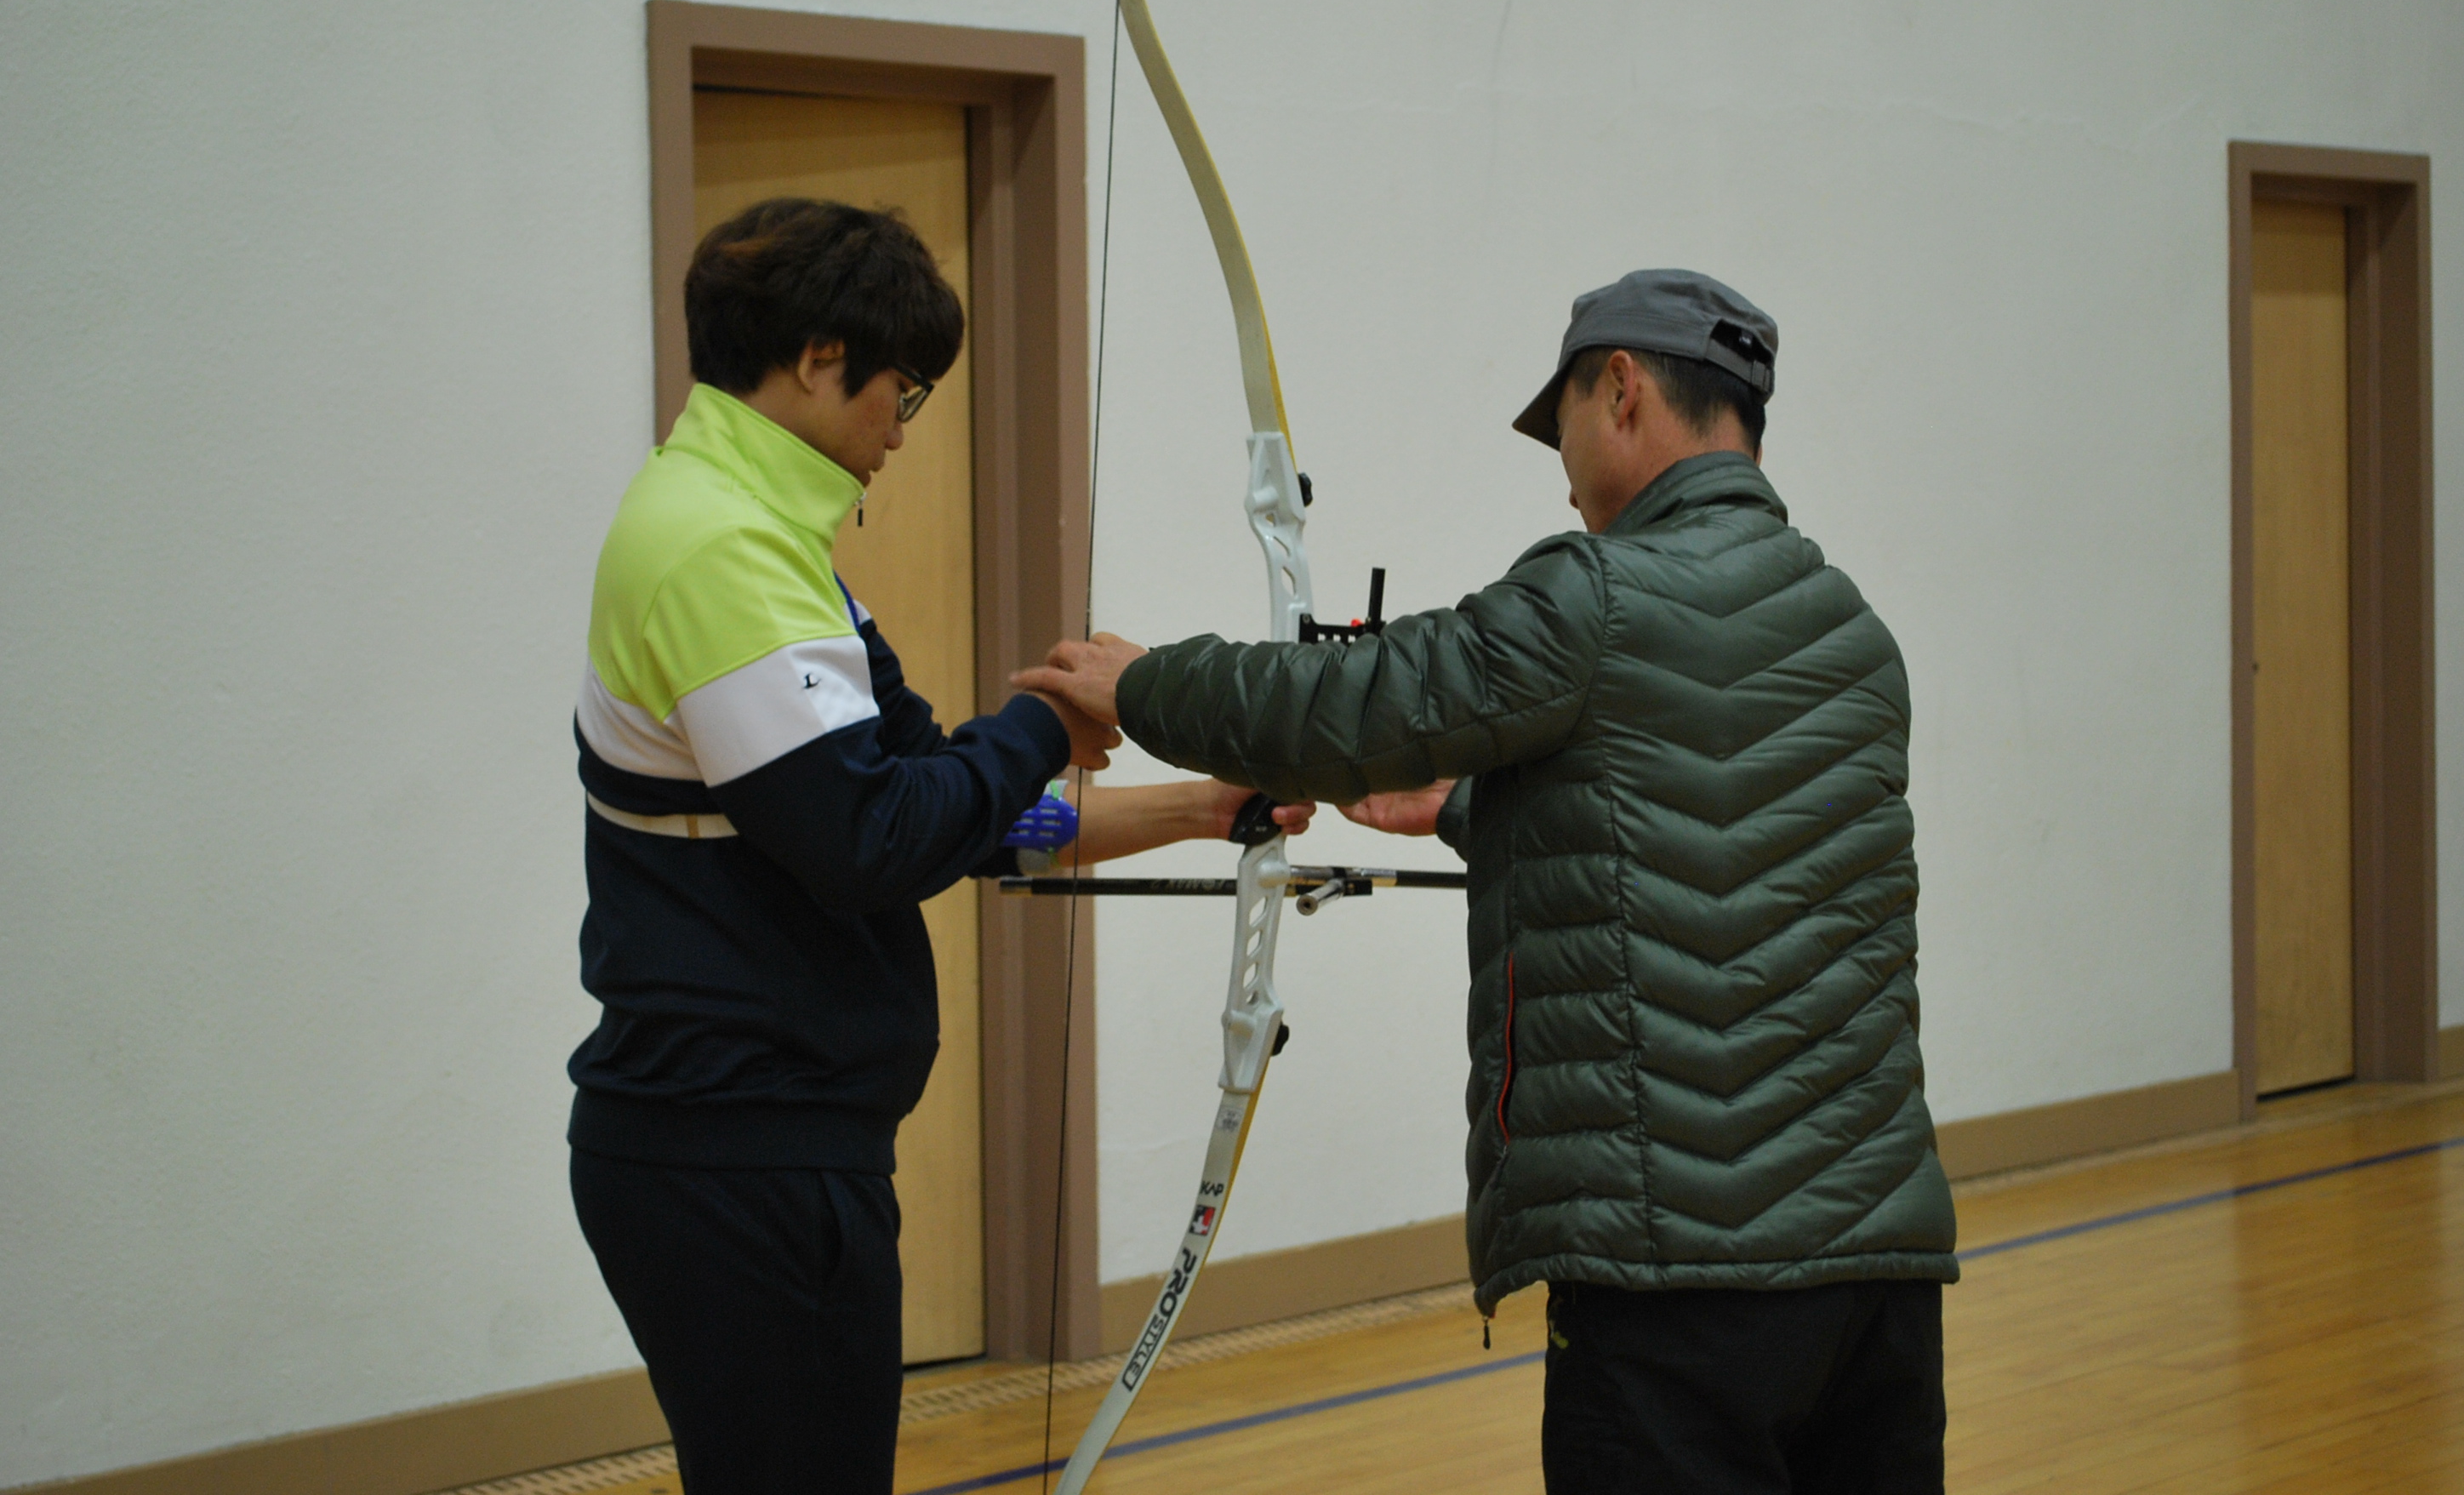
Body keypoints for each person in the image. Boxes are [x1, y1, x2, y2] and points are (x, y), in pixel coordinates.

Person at [1017, 270, 1958, 1493]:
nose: (1562, 474)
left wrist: (1145, 687)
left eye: (1561, 426)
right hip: (1879, 1279)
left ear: (1621, 389)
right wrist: (1469, 802)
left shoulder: (1595, 593)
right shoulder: (1851, 631)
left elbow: (1354, 705)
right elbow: (1701, 830)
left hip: (1673, 1282)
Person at [566, 196, 1311, 1495]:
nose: (902, 433)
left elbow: (958, 821)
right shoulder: (717, 547)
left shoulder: (767, 542)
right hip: (729, 1149)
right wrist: (1040, 724)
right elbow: (874, 839)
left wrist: (1203, 805)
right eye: (900, 394)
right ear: (818, 360)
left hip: (775, 1145)